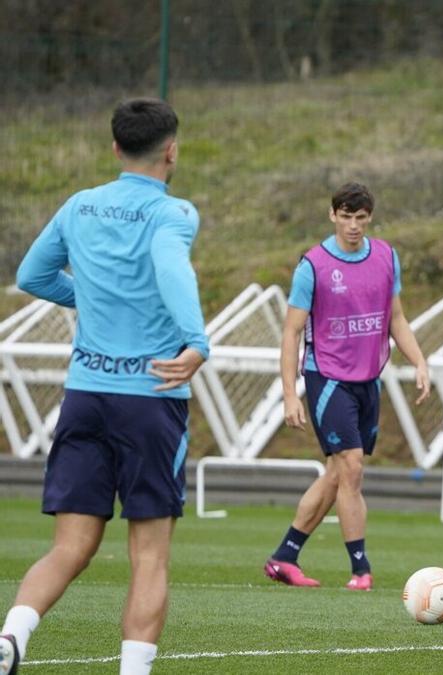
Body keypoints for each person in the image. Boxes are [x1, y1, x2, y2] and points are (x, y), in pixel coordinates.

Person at [2, 98, 208, 675]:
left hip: (86, 395)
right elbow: (170, 267)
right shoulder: (175, 214)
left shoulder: (80, 205)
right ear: (172, 150)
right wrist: (197, 340)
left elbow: (31, 276)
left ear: (116, 148)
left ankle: (11, 636)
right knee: (148, 556)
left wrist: (90, 299)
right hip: (151, 400)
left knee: (70, 546)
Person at [262, 183, 430, 592]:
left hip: (368, 380)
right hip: (328, 377)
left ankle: (285, 556)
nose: (353, 225)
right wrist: (289, 393)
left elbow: (397, 319)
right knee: (351, 465)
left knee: (339, 472)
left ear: (369, 217)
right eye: (346, 216)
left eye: (360, 217)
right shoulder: (314, 265)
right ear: (332, 215)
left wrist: (420, 362)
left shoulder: (387, 257)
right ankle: (361, 568)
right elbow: (291, 332)